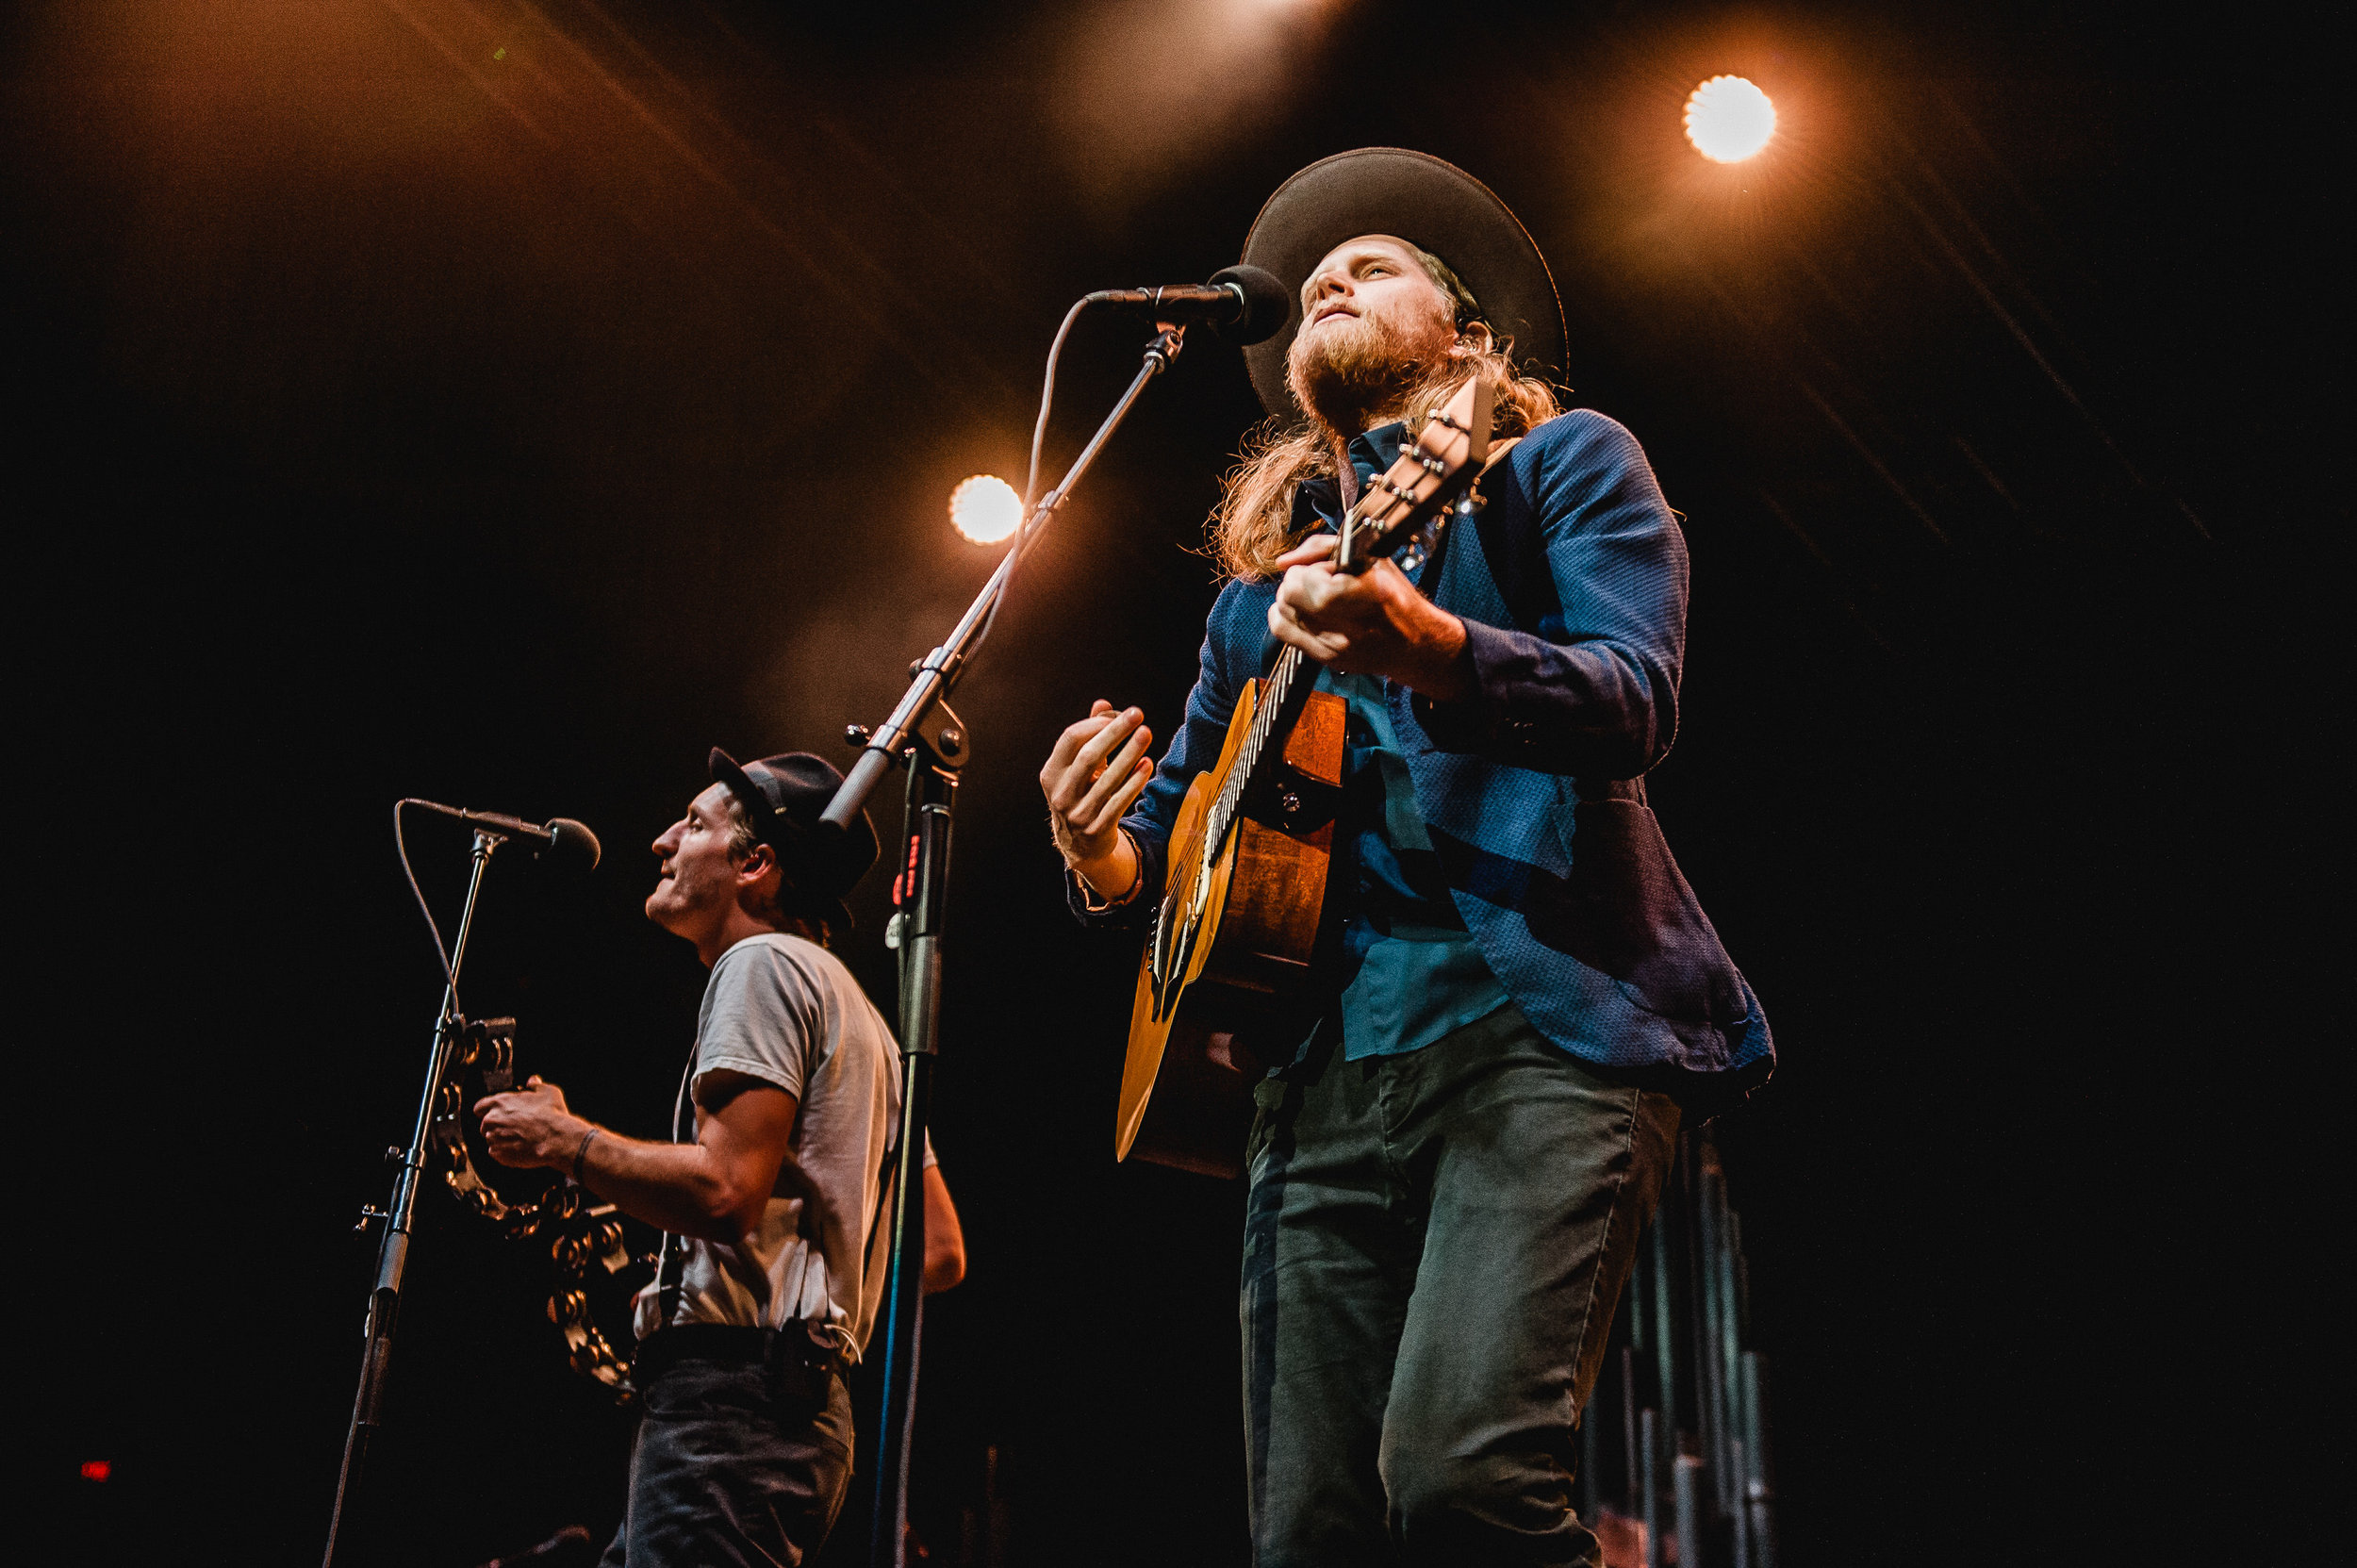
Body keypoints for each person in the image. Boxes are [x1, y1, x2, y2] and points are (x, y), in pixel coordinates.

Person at [1039, 149, 1773, 1566]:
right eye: (1315, 278)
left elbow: (1637, 693)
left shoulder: (1560, 462)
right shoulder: (1254, 615)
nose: (1325, 279)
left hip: (1539, 1036)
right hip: (1312, 1086)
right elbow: (1172, 826)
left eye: (1370, 266)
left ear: (1470, 337)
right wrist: (1099, 850)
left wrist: (1435, 646)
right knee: (1310, 1533)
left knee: (1466, 1485)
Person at [478, 749, 963, 1568]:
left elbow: (726, 1191)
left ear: (756, 864)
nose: (665, 840)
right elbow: (940, 1250)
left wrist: (565, 1142)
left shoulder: (761, 964)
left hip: (730, 1406)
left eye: (696, 824)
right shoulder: (863, 1019)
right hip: (797, 1418)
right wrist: (804, 1274)